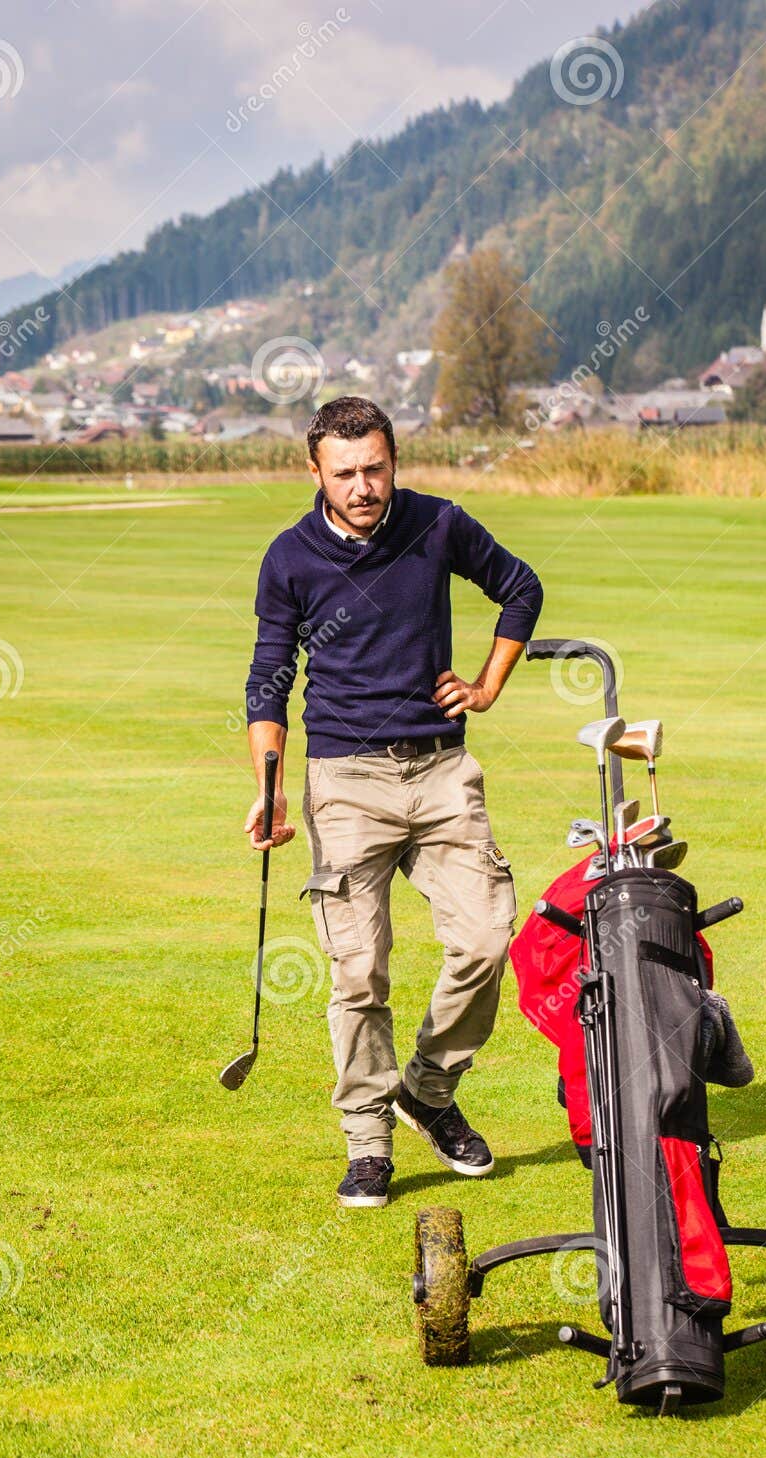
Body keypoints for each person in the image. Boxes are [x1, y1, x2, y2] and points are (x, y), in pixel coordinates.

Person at [243, 396, 543, 1208]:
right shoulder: (290, 558)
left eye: (375, 468)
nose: (363, 486)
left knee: (486, 939)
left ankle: (429, 1090)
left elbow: (519, 589)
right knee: (358, 972)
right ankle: (368, 1141)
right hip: (345, 781)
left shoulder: (437, 524)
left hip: (442, 772)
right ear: (315, 473)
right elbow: (271, 675)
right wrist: (269, 789)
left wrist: (485, 686)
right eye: (345, 473)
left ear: (394, 461)